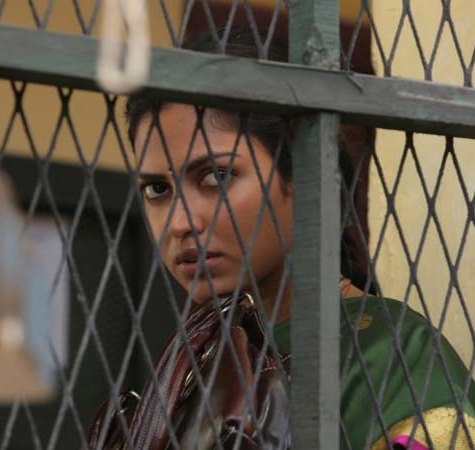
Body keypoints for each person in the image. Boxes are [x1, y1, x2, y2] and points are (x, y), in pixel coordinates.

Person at [124, 28, 475, 449]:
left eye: (216, 176)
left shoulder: (393, 356)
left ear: (305, 176)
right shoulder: (195, 361)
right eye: (156, 189)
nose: (180, 221)